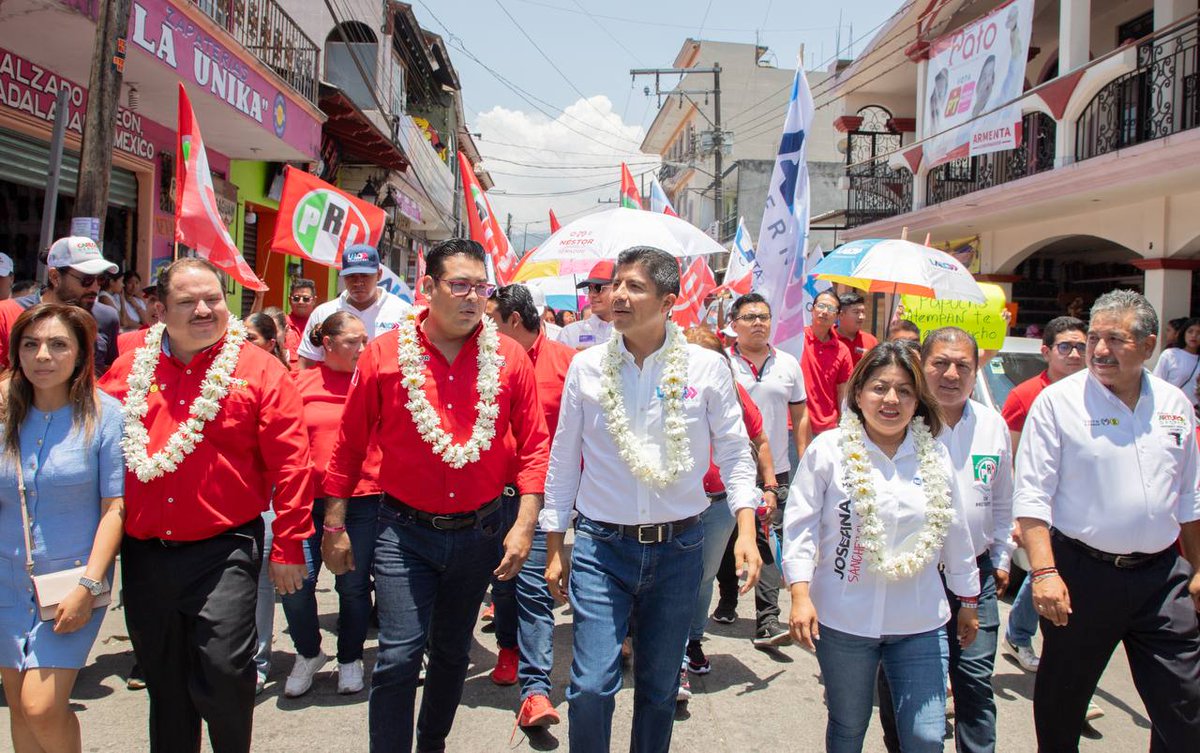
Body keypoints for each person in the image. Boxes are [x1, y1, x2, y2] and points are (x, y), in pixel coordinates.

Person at [322, 238, 550, 753]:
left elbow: (536, 444)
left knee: (450, 653)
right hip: (403, 532)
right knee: (400, 655)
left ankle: (432, 744)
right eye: (459, 285)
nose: (472, 298)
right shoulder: (382, 356)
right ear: (428, 288)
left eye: (480, 287)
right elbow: (349, 445)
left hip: (481, 533)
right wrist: (333, 526)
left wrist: (525, 522)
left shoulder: (510, 358)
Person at [542, 246, 762, 753]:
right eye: (615, 284)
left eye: (634, 286)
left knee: (660, 690)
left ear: (668, 300)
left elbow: (734, 451)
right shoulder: (587, 367)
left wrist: (746, 530)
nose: (617, 294)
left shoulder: (707, 369)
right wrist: (554, 543)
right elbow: (563, 458)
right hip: (601, 549)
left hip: (678, 550)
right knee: (592, 686)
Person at [98, 257, 313, 753]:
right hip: (147, 553)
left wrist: (288, 545)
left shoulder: (259, 369)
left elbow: (292, 463)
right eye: (187, 301)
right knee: (165, 683)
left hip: (224, 551)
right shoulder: (131, 367)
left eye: (213, 299)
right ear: (159, 309)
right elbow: (93, 438)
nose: (203, 310)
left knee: (224, 672)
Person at [1014, 289, 1200, 752]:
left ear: (1149, 344)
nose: (1098, 350)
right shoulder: (1059, 403)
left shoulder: (1175, 403)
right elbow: (1032, 495)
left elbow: (1190, 497)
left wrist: (1198, 569)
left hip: (1162, 578)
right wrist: (1044, 572)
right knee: (1061, 708)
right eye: (1094, 337)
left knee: (1186, 708)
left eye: (1115, 339)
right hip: (1080, 576)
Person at [784, 341, 981, 753]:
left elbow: (956, 531)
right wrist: (799, 594)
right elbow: (799, 525)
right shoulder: (829, 451)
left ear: (917, 400)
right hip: (844, 619)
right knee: (848, 727)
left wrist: (968, 600)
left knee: (926, 737)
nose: (891, 399)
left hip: (919, 621)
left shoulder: (935, 455)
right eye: (879, 388)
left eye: (904, 390)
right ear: (858, 394)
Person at [877, 327, 1014, 753]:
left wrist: (1005, 555)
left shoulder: (993, 426)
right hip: (911, 576)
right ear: (921, 365)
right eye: (940, 363)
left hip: (977, 575)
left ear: (976, 373)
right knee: (902, 685)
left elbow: (1005, 501)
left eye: (963, 366)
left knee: (974, 680)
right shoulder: (899, 421)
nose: (951, 374)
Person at [0, 304, 125, 753]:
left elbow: (115, 508)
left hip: (69, 584)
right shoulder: (2, 409)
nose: (43, 356)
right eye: (31, 344)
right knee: (17, 704)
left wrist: (89, 584)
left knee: (41, 706)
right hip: (5, 583)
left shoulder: (105, 416)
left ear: (80, 354)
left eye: (58, 345)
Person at [997, 315, 1106, 721]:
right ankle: (1074, 694)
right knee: (1055, 583)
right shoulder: (1025, 395)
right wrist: (1014, 516)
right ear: (1047, 352)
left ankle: (1021, 635)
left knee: (1053, 579)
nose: (1077, 354)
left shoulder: (1100, 393)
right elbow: (1007, 458)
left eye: (1082, 346)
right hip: (1040, 511)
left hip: (1082, 513)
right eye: (1067, 347)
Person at [484, 283, 576, 727]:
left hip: (538, 496)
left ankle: (536, 692)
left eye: (492, 319)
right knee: (501, 583)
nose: (484, 327)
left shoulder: (565, 363)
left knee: (534, 588)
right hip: (486, 493)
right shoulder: (485, 359)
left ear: (513, 321)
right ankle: (507, 648)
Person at [281, 312, 380, 698]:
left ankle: (350, 658)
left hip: (362, 501)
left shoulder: (372, 383)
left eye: (364, 340)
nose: (361, 348)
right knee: (296, 584)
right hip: (307, 501)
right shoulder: (298, 384)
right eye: (352, 341)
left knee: (353, 586)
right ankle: (308, 653)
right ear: (327, 343)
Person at [681, 326, 776, 687]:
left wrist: (769, 486)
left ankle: (691, 641)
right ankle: (665, 653)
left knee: (703, 577)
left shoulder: (733, 392)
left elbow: (759, 438)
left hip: (719, 504)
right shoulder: (664, 388)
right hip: (672, 505)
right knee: (672, 579)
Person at [717, 291, 811, 646]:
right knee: (726, 539)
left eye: (764, 317)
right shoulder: (721, 363)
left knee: (767, 538)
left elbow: (800, 414)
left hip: (776, 470)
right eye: (750, 317)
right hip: (728, 466)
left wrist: (804, 459)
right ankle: (727, 596)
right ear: (734, 324)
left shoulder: (788, 364)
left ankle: (768, 618)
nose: (759, 323)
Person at [0, 237, 121, 376]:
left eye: (101, 279)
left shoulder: (107, 318)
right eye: (87, 280)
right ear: (55, 277)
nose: (95, 288)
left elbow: (107, 377)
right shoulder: (7, 313)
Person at [297, 245, 410, 369]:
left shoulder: (403, 312)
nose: (358, 282)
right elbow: (306, 364)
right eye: (351, 276)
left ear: (379, 274)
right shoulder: (323, 313)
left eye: (364, 275)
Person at [801, 289, 853, 434]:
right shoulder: (797, 339)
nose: (824, 312)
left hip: (828, 427)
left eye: (830, 309)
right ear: (812, 309)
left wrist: (844, 426)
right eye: (821, 306)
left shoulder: (842, 351)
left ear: (837, 315)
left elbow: (843, 393)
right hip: (795, 423)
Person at [557, 260, 614, 350]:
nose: (592, 294)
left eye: (598, 288)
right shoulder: (570, 334)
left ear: (618, 288)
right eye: (590, 288)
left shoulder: (632, 332)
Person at [1153, 316, 1200, 410]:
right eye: (1190, 331)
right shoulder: (1170, 354)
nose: (1194, 335)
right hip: (1170, 408)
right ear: (1184, 333)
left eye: (1199, 333)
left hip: (1193, 412)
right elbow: (1156, 383)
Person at [836, 292, 879, 366]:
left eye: (863, 312)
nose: (861, 317)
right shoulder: (828, 338)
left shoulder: (871, 341)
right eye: (856, 312)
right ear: (841, 315)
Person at [285, 279, 318, 372]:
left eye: (306, 299)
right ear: (289, 300)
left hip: (311, 380)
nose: (301, 302)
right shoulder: (280, 325)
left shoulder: (320, 326)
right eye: (296, 298)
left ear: (314, 300)